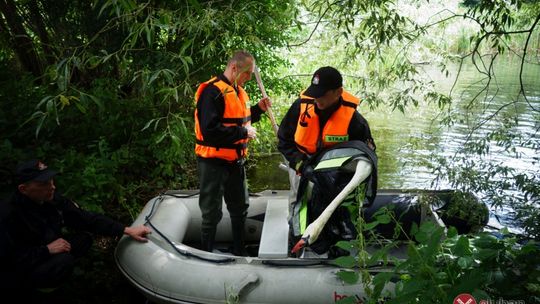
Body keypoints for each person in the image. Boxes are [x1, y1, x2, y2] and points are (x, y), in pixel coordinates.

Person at [0, 159, 151, 297]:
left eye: (51, 180)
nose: (52, 186)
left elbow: (85, 219)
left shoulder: (50, 199)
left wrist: (126, 230)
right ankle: (38, 289)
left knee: (83, 240)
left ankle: (52, 277)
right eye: (43, 183)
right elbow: (11, 260)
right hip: (22, 266)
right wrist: (47, 250)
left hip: (44, 248)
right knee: (63, 261)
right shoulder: (8, 215)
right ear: (23, 189)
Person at [277, 66, 376, 255]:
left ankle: (338, 250)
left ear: (338, 92)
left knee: (339, 209)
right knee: (299, 204)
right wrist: (299, 164)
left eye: (323, 94)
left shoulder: (355, 122)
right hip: (302, 167)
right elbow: (284, 140)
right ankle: (297, 240)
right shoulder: (301, 108)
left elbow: (366, 155)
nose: (317, 99)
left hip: (335, 175)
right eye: (315, 93)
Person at [194, 50, 270, 256]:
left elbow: (237, 118)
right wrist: (243, 132)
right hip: (213, 163)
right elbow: (210, 131)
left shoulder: (238, 90)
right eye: (247, 73)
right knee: (211, 213)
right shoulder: (212, 92)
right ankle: (205, 253)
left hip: (236, 161)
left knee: (239, 208)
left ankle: (239, 249)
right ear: (234, 68)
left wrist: (258, 110)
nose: (249, 78)